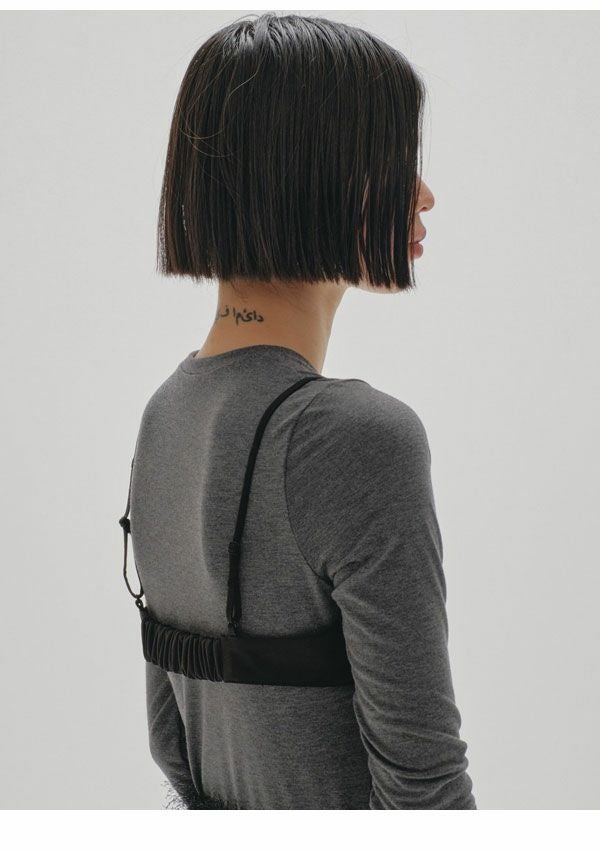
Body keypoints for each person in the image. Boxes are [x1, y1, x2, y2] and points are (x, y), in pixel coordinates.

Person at [126, 12, 476, 809]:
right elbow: (424, 788)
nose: (424, 194)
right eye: (395, 160)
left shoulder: (165, 416)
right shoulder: (354, 439)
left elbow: (173, 749)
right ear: (313, 174)